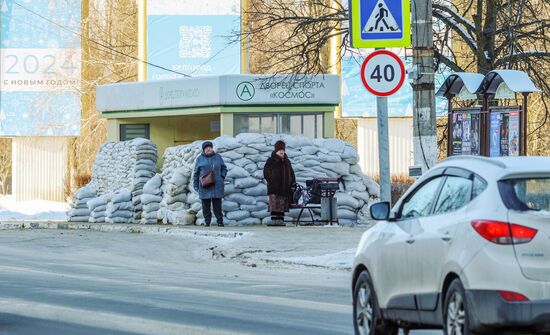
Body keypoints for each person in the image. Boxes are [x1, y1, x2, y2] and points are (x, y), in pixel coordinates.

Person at [193, 141, 227, 227]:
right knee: (206, 205)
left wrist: (222, 177)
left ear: (212, 148)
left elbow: (224, 168)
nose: (208, 148)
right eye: (206, 147)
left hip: (217, 185)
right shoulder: (199, 159)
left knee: (217, 205)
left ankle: (220, 221)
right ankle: (207, 222)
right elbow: (196, 173)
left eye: (210, 147)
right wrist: (196, 185)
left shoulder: (218, 157)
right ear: (204, 149)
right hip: (204, 185)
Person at [263, 140, 296, 226]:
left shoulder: (287, 161)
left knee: (282, 205)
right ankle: (274, 220)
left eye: (283, 150)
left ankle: (281, 220)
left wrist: (293, 183)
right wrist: (271, 179)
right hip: (274, 187)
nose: (281, 151)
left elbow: (292, 173)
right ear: (276, 151)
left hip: (285, 188)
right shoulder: (271, 160)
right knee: (275, 203)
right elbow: (266, 172)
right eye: (279, 150)